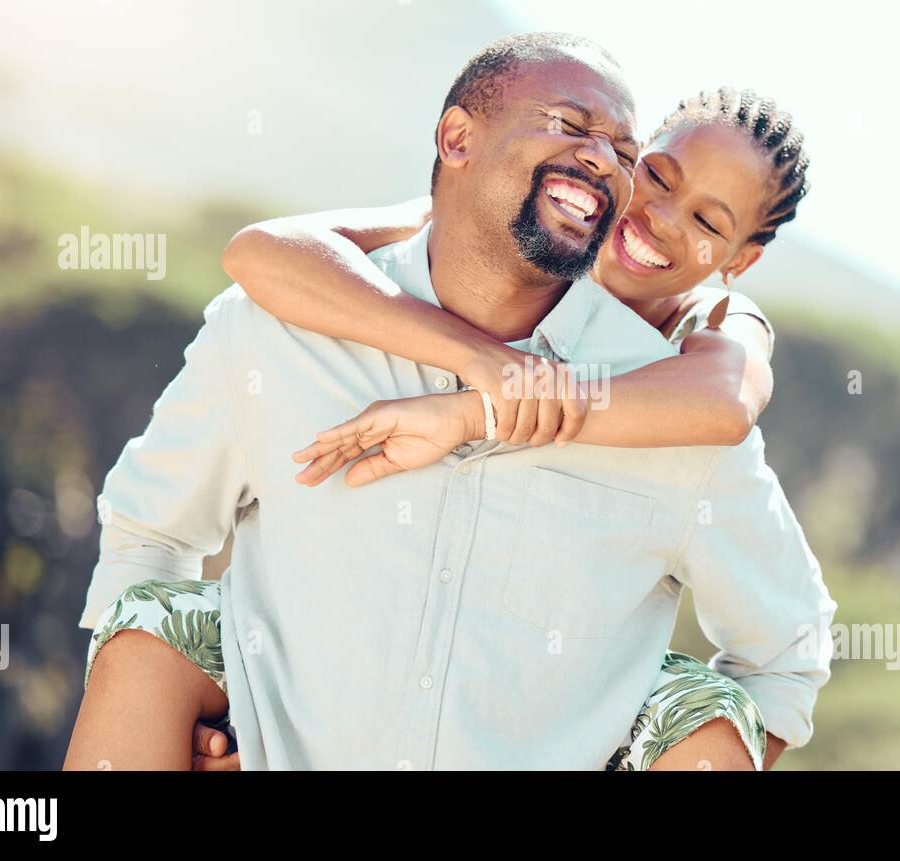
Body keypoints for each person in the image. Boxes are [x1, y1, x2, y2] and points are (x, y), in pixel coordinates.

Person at [64, 32, 834, 772]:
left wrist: (482, 406)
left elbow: (785, 647)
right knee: (153, 622)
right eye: (652, 173)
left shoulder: (691, 394)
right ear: (457, 138)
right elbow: (149, 529)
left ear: (741, 259)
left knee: (696, 701)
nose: (647, 206)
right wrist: (175, 717)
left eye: (705, 219)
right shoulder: (299, 312)